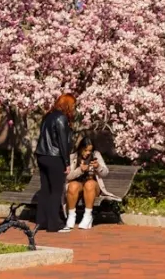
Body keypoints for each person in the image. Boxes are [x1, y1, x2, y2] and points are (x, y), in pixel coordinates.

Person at [34, 94, 75, 233]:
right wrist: (67, 162)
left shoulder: (48, 116)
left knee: (45, 189)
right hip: (54, 156)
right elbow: (63, 142)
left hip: (41, 155)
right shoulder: (61, 118)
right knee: (56, 190)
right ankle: (54, 223)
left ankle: (41, 221)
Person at [65, 138, 116, 230]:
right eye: (86, 150)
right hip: (79, 185)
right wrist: (80, 170)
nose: (88, 152)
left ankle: (88, 215)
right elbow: (68, 176)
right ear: (80, 148)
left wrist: (98, 167)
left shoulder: (96, 155)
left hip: (92, 187)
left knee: (89, 184)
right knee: (73, 186)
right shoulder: (73, 157)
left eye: (90, 150)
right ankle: (71, 215)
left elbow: (105, 173)